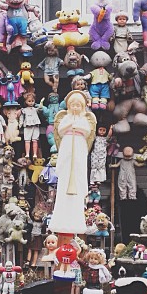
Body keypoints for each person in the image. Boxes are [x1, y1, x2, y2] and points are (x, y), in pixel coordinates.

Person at [49, 91, 97, 234]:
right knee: (65, 178)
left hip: (79, 145)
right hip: (67, 145)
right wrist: (70, 125)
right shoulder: (66, 117)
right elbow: (60, 130)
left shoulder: (84, 118)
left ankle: (76, 217)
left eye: (78, 105)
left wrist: (78, 127)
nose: (75, 108)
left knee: (77, 174)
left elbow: (88, 131)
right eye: (73, 105)